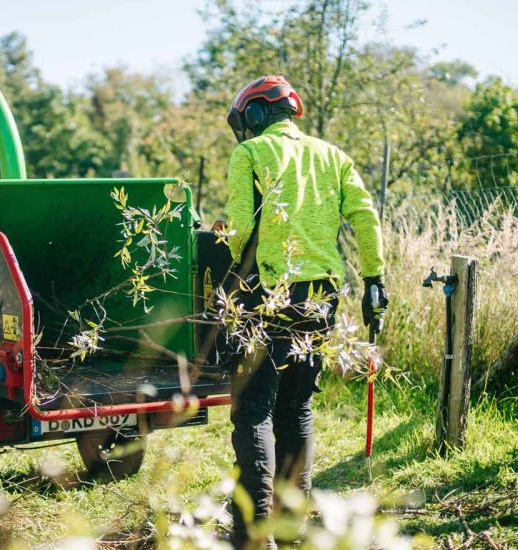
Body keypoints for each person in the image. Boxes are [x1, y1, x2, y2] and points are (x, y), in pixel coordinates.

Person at [219, 75, 388, 549]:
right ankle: (291, 525)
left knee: (253, 410)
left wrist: (223, 268)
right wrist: (374, 279)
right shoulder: (333, 156)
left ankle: (254, 536)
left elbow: (238, 231)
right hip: (321, 297)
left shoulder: (249, 154)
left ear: (253, 115)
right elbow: (365, 215)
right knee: (297, 406)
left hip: (268, 292)